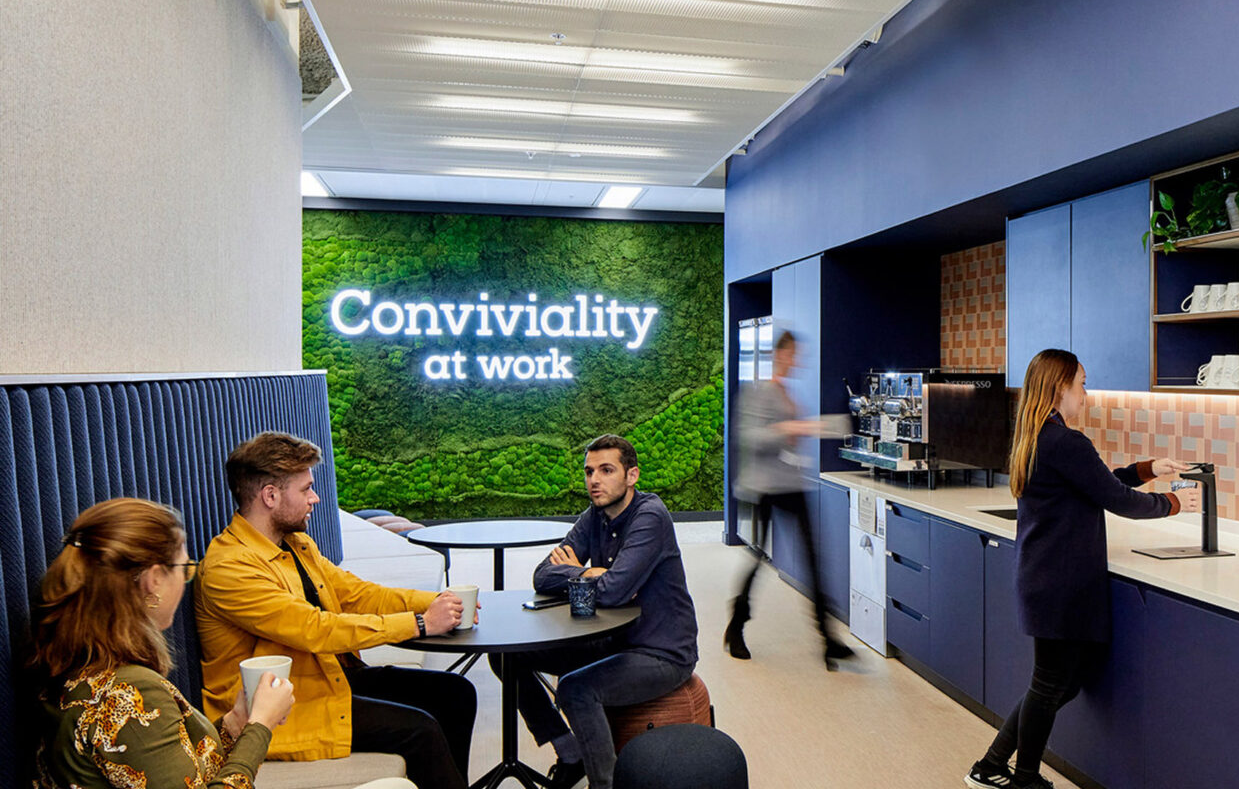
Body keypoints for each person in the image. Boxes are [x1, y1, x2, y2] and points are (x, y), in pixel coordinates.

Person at [965, 349, 1202, 789]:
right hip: (1059, 583)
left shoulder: (1040, 435)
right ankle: (1024, 779)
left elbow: (1098, 483)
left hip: (1046, 577)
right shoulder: (1065, 441)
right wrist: (1172, 503)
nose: (1086, 395)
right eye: (1082, 385)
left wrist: (1148, 469)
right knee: (1050, 683)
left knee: (1060, 684)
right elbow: (1116, 499)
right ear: (1060, 388)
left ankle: (992, 765)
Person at [195, 431, 476, 789]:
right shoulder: (229, 568)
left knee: (455, 694)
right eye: (306, 489)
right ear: (270, 495)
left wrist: (438, 601)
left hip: (325, 679)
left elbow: (356, 594)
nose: (315, 498)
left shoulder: (296, 544)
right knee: (420, 730)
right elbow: (315, 629)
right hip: (281, 710)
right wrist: (421, 623)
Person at [31, 497, 296, 789]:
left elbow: (168, 763)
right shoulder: (129, 692)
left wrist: (237, 723)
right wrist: (260, 728)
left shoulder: (81, 667)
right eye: (184, 569)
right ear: (154, 579)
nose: (184, 581)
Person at [518, 434, 700, 789]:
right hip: (611, 640)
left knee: (576, 689)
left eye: (606, 470)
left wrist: (590, 577)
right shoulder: (595, 515)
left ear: (631, 475)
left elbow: (614, 592)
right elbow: (542, 576)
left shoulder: (651, 516)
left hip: (661, 651)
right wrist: (587, 572)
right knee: (511, 657)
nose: (594, 480)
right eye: (589, 472)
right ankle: (569, 753)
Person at [726, 329, 854, 668]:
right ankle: (736, 625)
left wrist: (802, 431)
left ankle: (828, 639)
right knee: (758, 558)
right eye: (793, 354)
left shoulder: (787, 393)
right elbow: (749, 437)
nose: (796, 360)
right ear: (780, 355)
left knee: (814, 559)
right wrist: (789, 429)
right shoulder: (759, 392)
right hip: (765, 486)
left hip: (792, 483)